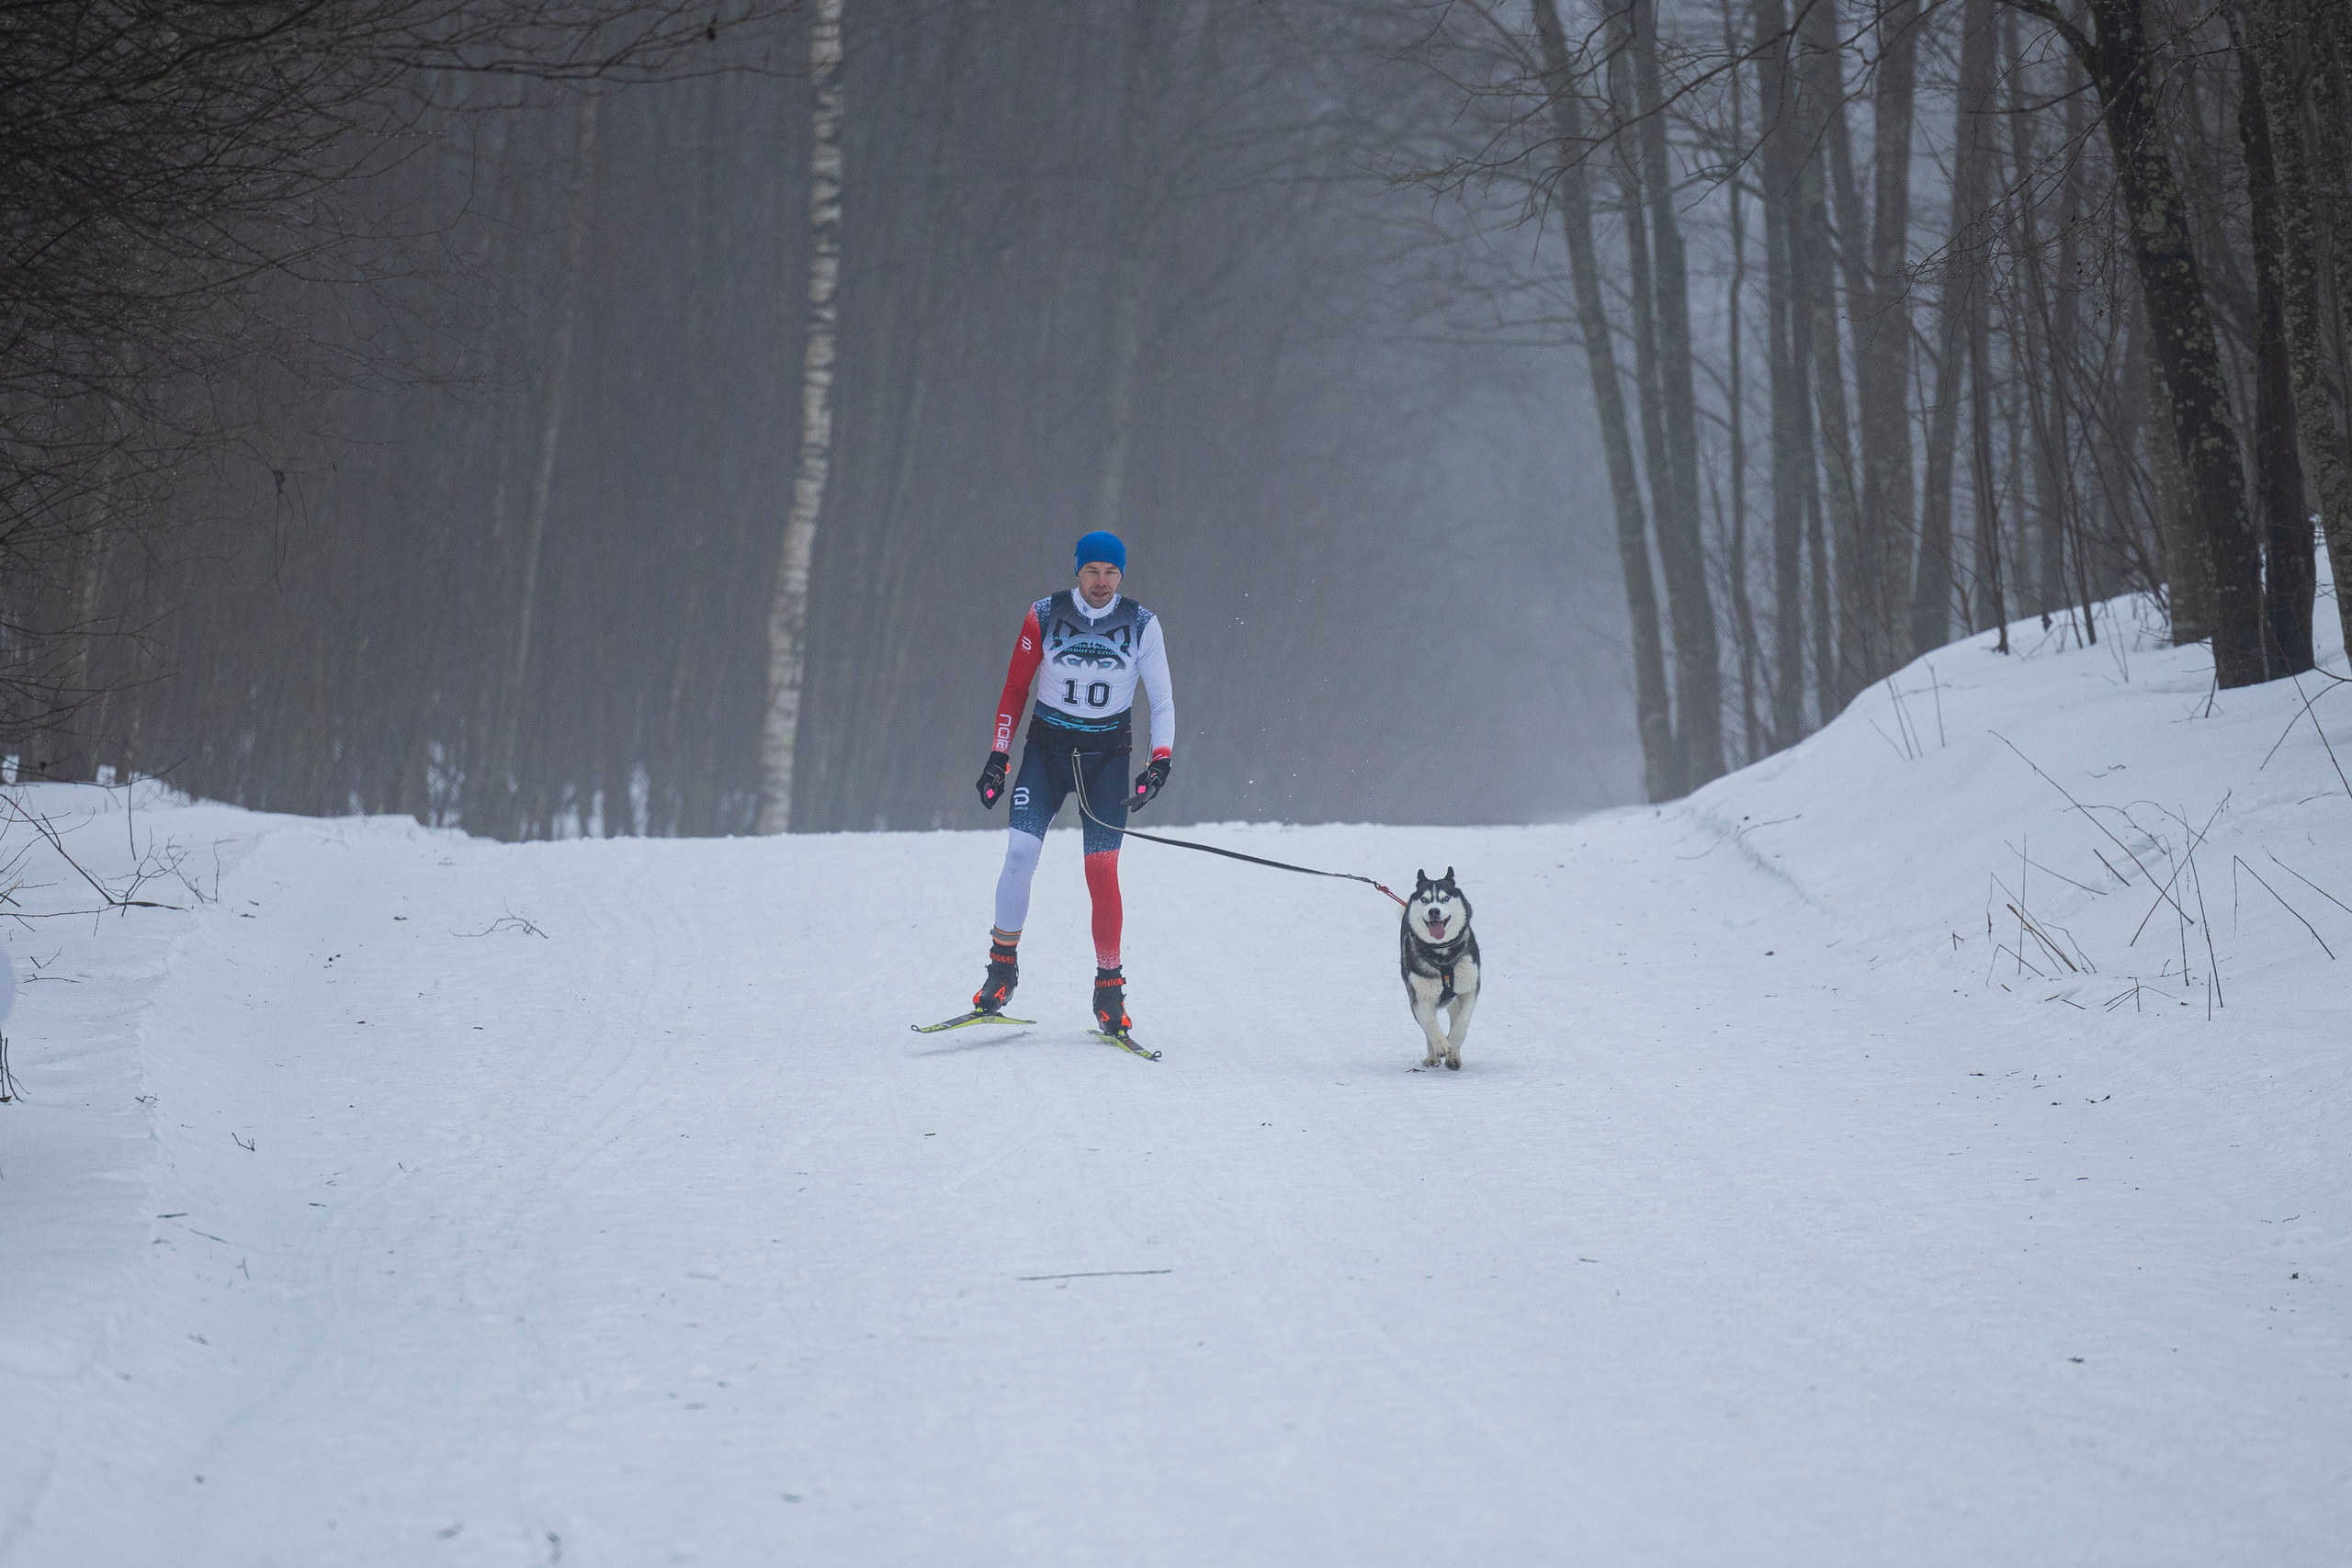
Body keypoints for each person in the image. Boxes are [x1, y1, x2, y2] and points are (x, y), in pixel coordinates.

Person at [972, 530, 1174, 1037]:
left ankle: (1109, 990)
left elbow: (1163, 702)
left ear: (1121, 575)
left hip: (1107, 759)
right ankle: (1001, 969)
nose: (1101, 582)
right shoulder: (1044, 613)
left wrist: (1159, 762)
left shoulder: (1143, 624)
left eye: (1111, 573)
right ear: (1077, 571)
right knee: (1019, 855)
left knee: (1101, 870)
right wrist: (998, 757)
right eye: (1092, 571)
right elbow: (1016, 688)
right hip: (1047, 754)